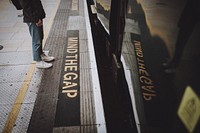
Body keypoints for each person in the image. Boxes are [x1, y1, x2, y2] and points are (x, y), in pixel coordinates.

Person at [163, 0, 200, 73]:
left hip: (190, 19)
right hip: (188, 17)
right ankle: (173, 62)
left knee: (181, 43)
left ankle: (174, 65)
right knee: (179, 43)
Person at [19, 0, 54, 68]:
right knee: (36, 40)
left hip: (37, 16)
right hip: (32, 19)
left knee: (40, 37)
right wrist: (36, 19)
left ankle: (41, 55)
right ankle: (38, 61)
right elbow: (26, 7)